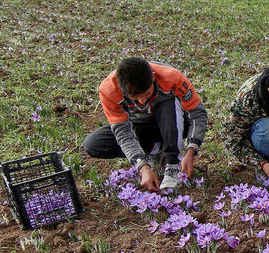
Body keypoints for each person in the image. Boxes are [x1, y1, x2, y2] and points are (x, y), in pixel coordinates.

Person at [83, 57, 207, 192]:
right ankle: (155, 150)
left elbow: (197, 115)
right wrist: (142, 165)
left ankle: (173, 164)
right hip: (141, 125)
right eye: (135, 98)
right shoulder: (108, 90)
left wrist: (191, 150)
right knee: (93, 144)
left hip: (174, 122)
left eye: (146, 94)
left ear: (153, 78)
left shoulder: (170, 76)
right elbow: (122, 132)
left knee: (167, 102)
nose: (142, 102)